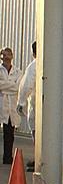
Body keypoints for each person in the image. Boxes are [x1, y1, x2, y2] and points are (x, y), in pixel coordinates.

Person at [0, 47, 20, 164]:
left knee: (9, 134)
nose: (6, 57)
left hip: (10, 106)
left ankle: (7, 157)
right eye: (4, 55)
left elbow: (18, 87)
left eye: (8, 55)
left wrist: (3, 87)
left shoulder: (18, 72)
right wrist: (10, 85)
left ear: (12, 56)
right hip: (1, 104)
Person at [17, 42, 36, 170]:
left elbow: (26, 86)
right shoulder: (55, 63)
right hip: (54, 108)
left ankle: (39, 160)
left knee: (37, 133)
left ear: (33, 52)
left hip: (37, 105)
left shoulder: (33, 66)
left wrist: (21, 102)